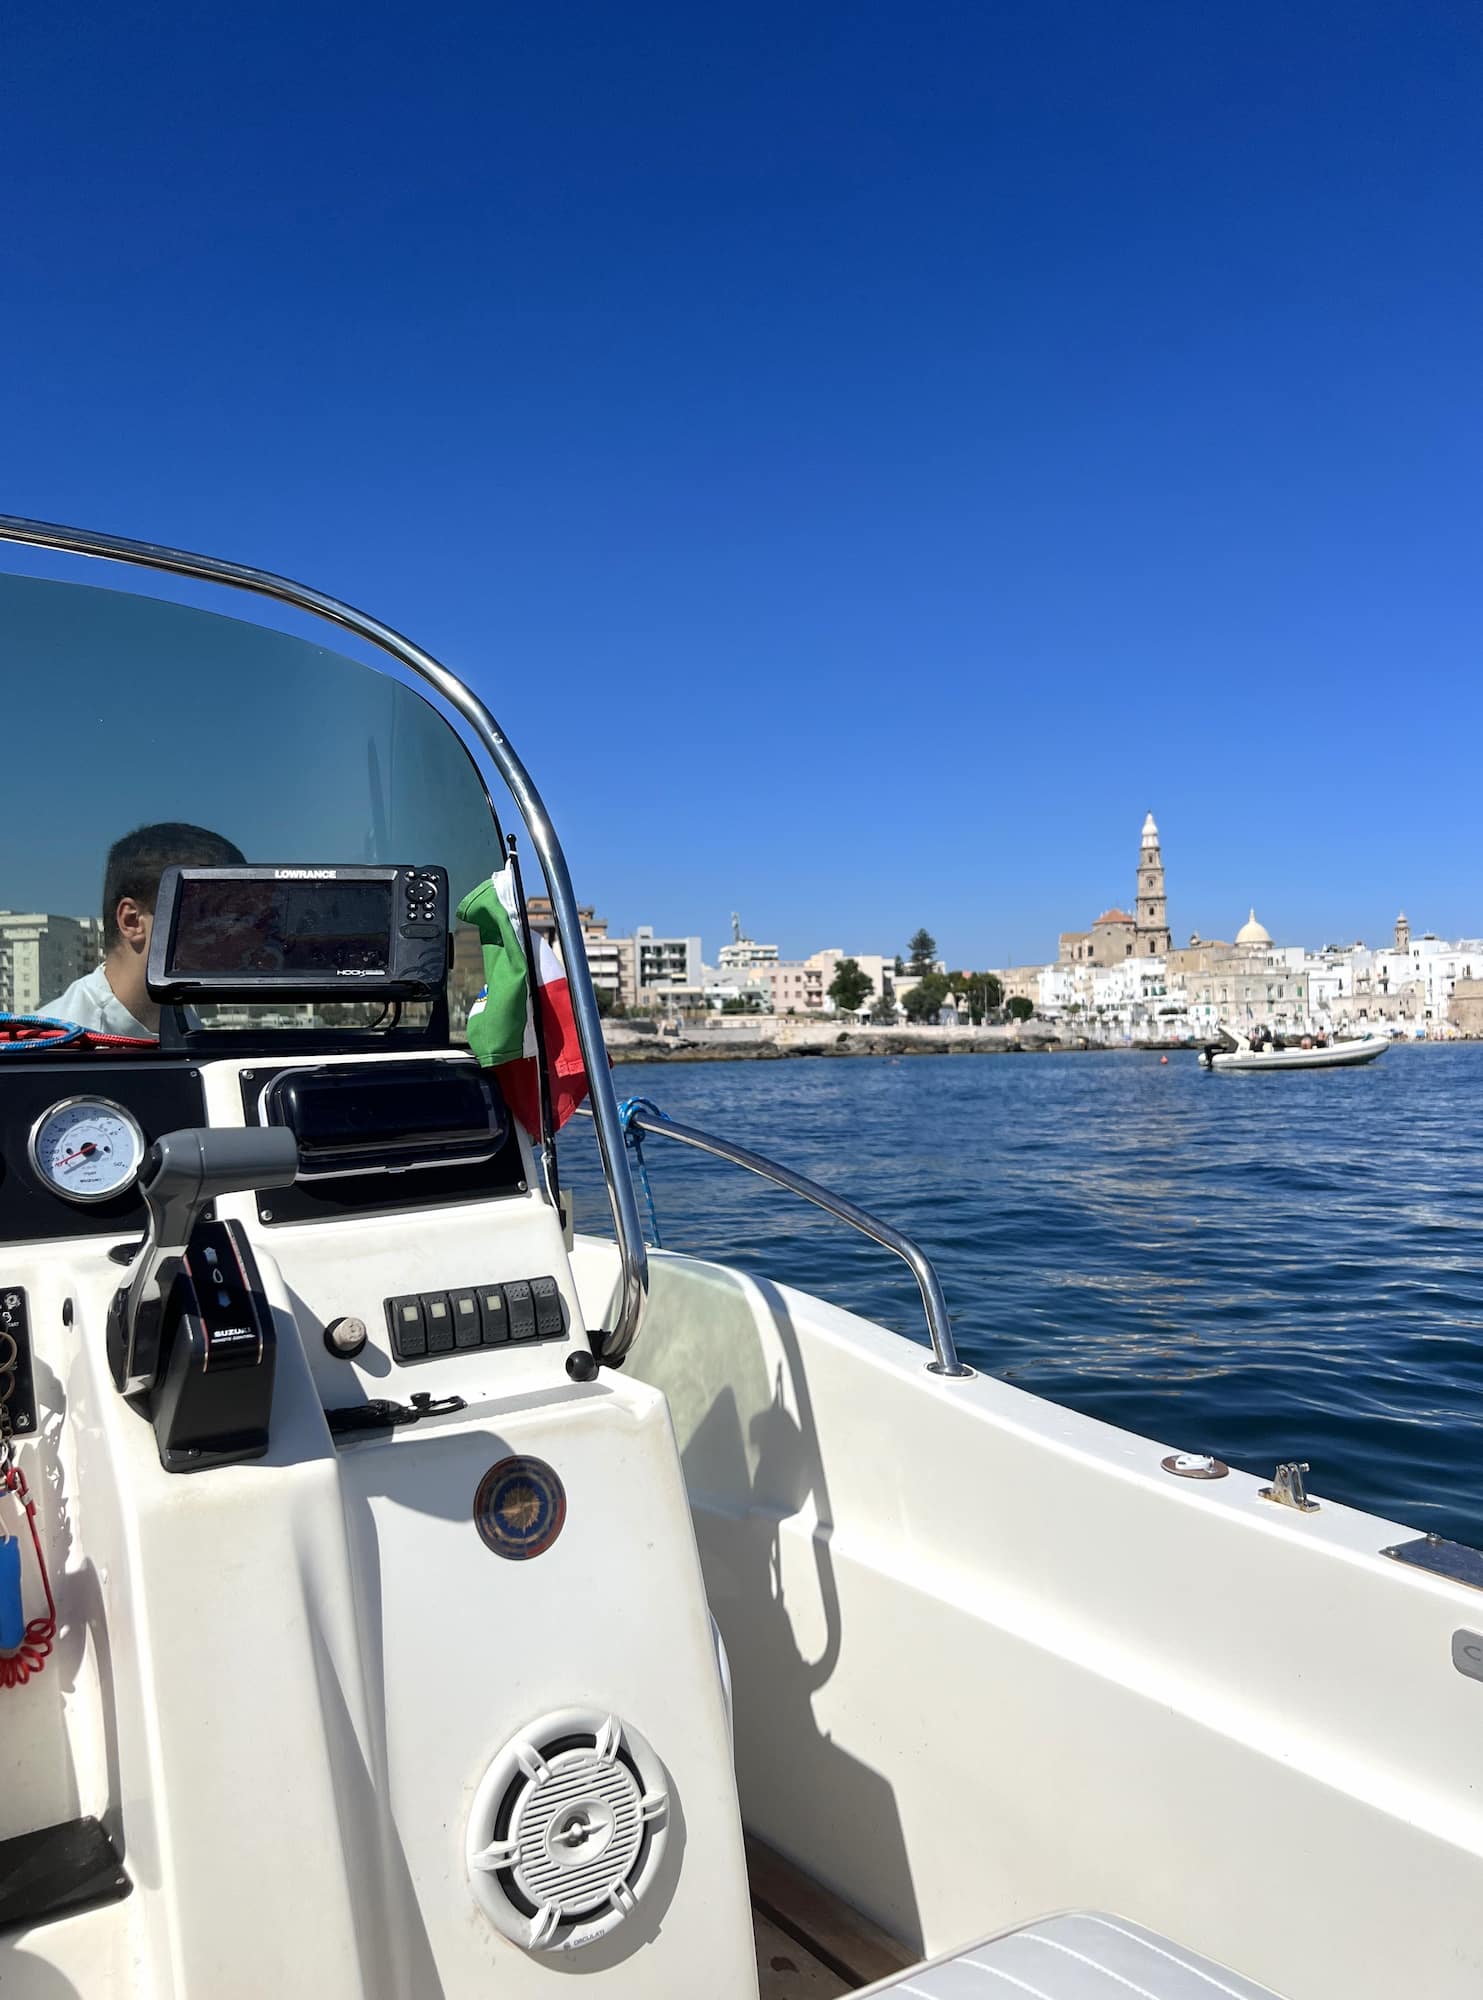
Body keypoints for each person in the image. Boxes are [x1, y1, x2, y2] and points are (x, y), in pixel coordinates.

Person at [41, 822, 245, 1038]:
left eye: (237, 916)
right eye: (209, 914)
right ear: (132, 921)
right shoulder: (53, 1048)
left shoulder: (179, 1013)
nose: (233, 932)